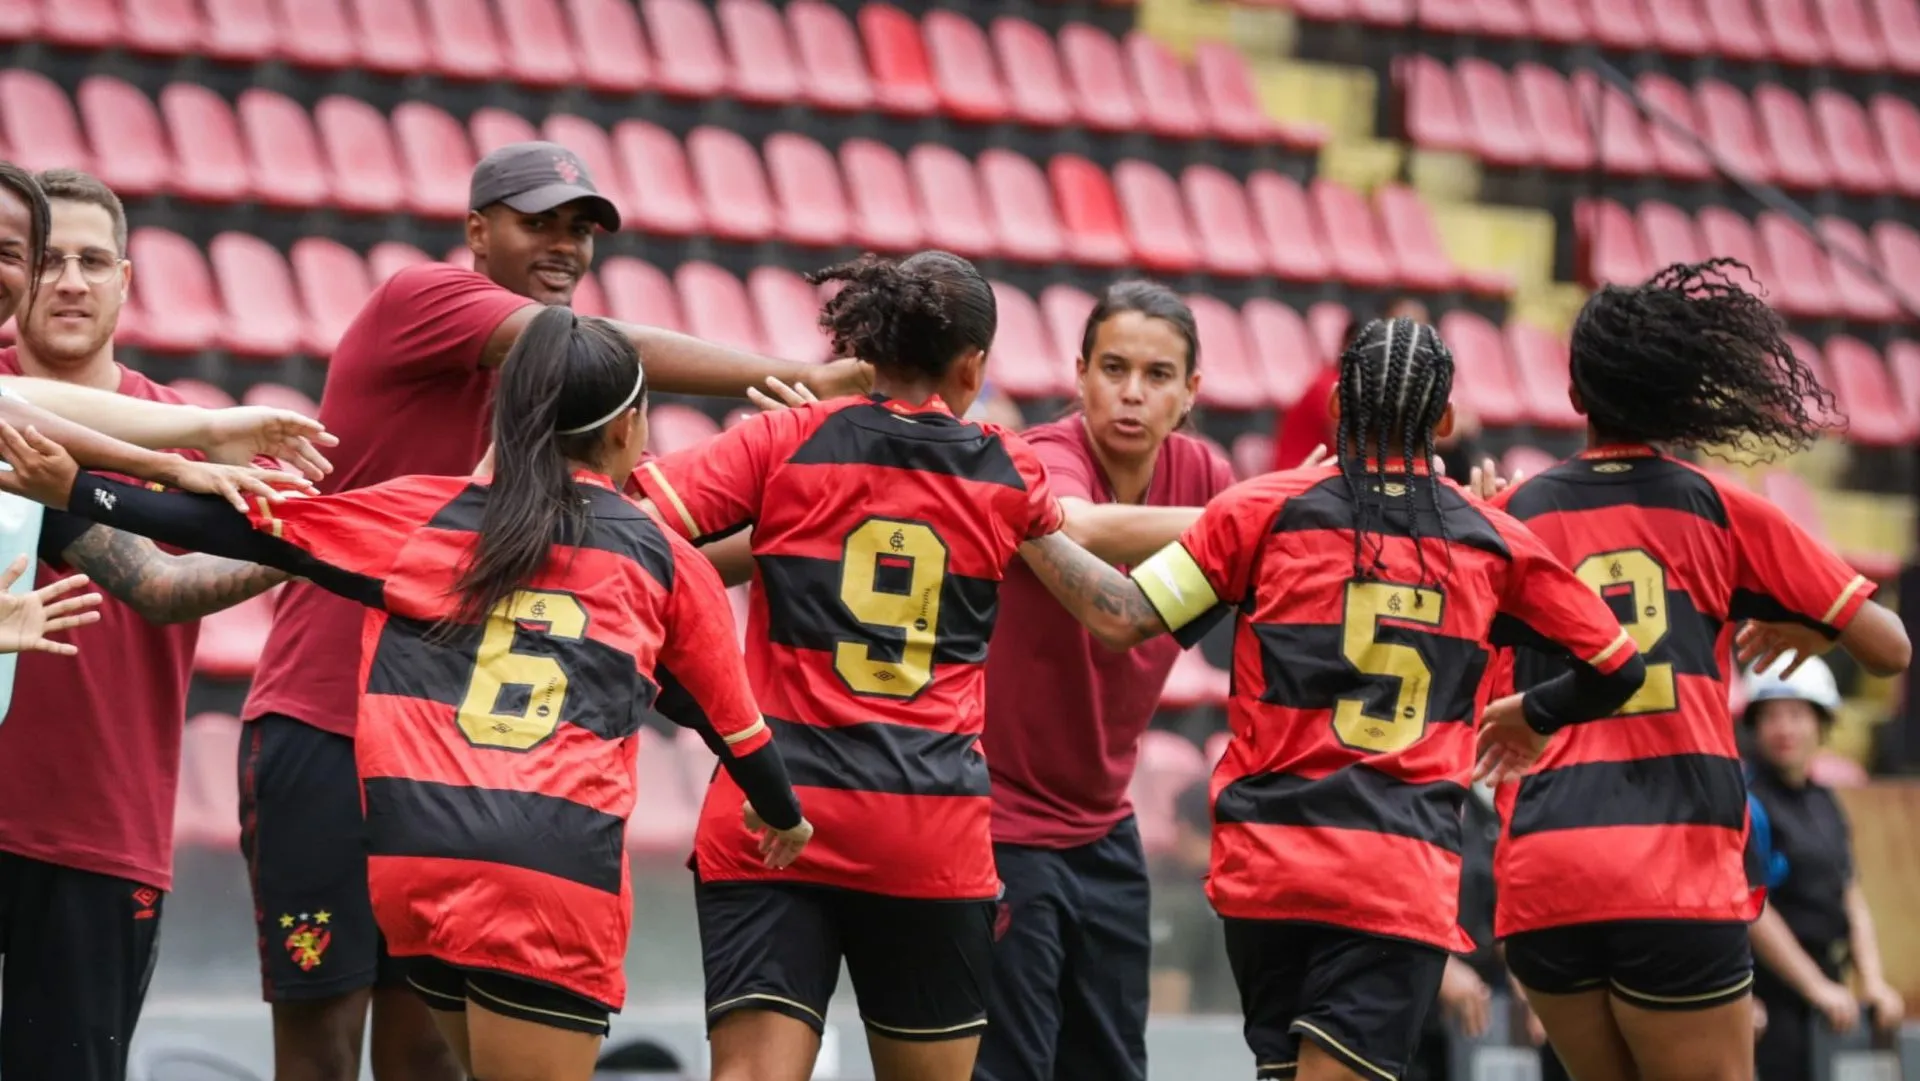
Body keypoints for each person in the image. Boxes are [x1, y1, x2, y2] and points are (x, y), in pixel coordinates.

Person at [0, 307, 816, 1081]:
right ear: (628, 428)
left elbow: (248, 525)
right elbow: (735, 729)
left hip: (413, 863)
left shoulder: (426, 513)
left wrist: (83, 489)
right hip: (550, 870)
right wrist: (782, 814)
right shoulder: (665, 559)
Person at [233, 141, 870, 1081]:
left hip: (452, 766)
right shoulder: (421, 299)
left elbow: (660, 566)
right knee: (321, 1049)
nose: (566, 245)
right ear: (476, 231)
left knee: (424, 1058)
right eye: (541, 223)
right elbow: (589, 347)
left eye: (582, 229)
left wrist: (813, 523)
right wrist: (795, 380)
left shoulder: (570, 424)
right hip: (325, 724)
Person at [1014, 314, 1650, 1081]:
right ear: (1443, 423)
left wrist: (1023, 521)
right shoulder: (1490, 539)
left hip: (1266, 874)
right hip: (1393, 875)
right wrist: (1533, 711)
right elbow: (1619, 663)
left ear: (1338, 410)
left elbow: (1121, 615)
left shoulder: (1261, 510)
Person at [633, 251, 1175, 1081]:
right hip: (925, 831)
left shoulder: (783, 441)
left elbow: (627, 525)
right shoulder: (1007, 469)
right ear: (973, 366)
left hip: (774, 815)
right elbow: (1110, 599)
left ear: (868, 352)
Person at [1481, 260, 1911, 1081]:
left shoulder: (1514, 513)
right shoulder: (1717, 507)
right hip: (1676, 870)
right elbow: (1889, 645)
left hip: (1546, 867)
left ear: (1576, 395)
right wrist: (1816, 628)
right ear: (1682, 399)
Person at [0, 168, 333, 1081]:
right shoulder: (181, 442)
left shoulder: (194, 434)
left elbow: (162, 582)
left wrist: (320, 536)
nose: (70, 280)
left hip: (98, 824)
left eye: (92, 261)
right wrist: (321, 546)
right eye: (47, 259)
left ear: (127, 281)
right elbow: (150, 578)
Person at [972, 280, 1235, 1081]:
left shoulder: (1207, 474)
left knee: (1115, 1064)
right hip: (1001, 815)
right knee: (1013, 1066)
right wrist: (1258, 514)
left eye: (1158, 375)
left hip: (1102, 822)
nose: (1131, 392)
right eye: (1113, 368)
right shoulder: (1048, 455)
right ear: (1079, 374)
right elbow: (1076, 524)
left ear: (1190, 393)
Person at [1743, 656, 1905, 1081]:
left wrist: (1871, 981)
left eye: (1797, 715)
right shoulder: (1748, 802)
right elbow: (1753, 910)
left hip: (1829, 994)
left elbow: (1850, 893)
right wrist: (1815, 987)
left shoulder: (1825, 802)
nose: (1784, 729)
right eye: (1772, 716)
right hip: (1769, 998)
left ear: (1820, 722)